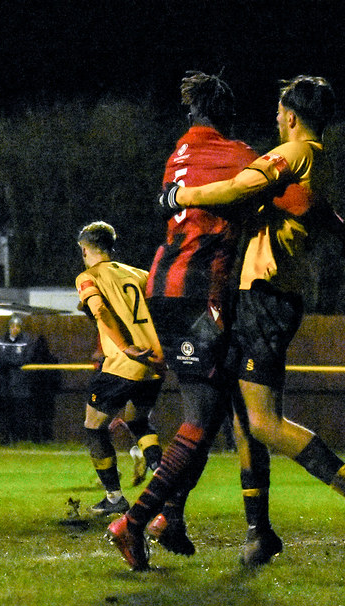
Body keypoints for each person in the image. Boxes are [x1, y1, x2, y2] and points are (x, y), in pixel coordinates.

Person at [154, 75, 344, 567]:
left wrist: (183, 197)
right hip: (268, 295)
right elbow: (323, 218)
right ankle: (259, 533)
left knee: (262, 421)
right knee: (243, 419)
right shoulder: (314, 163)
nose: (276, 118)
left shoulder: (297, 152)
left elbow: (241, 184)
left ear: (292, 116)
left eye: (281, 111)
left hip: (266, 295)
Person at [108, 71, 263, 568]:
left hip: (165, 285)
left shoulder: (178, 154)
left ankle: (170, 515)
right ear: (226, 114)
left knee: (214, 410)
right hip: (200, 292)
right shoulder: (235, 154)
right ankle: (133, 522)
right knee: (201, 417)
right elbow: (266, 188)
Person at [74, 222, 165, 518]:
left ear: (85, 249)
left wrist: (124, 346)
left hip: (125, 364)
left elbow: (100, 310)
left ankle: (114, 497)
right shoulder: (141, 275)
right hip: (154, 362)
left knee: (93, 427)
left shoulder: (88, 277)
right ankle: (165, 482)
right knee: (137, 422)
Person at [0, 315, 33, 443]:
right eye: (12, 326)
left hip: (20, 385)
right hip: (4, 385)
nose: (14, 329)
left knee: (19, 414)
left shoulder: (26, 341)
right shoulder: (1, 341)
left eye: (17, 326)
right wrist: (9, 362)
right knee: (4, 414)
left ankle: (19, 439)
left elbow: (24, 359)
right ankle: (5, 439)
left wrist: (8, 362)